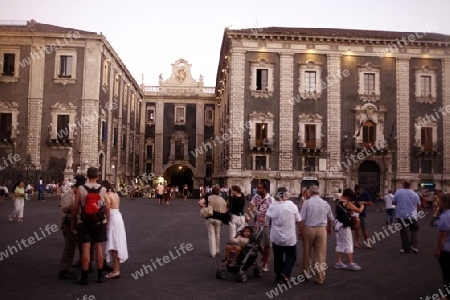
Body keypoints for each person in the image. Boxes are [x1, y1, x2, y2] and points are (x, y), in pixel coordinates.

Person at [71, 167, 109, 285]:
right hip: (99, 222)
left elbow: (75, 207)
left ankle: (84, 277)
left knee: (86, 249)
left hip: (84, 221)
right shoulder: (103, 189)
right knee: (99, 248)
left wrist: (73, 222)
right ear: (98, 176)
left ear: (87, 176)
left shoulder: (81, 189)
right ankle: (100, 276)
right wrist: (107, 221)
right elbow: (106, 207)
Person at [265, 187, 302, 284]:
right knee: (291, 256)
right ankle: (285, 273)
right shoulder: (292, 205)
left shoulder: (273, 205)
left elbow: (267, 220)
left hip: (276, 236)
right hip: (289, 237)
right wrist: (300, 230)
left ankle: (278, 277)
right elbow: (299, 220)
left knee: (278, 257)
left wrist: (269, 223)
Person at [299, 185, 334, 284]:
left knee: (306, 252)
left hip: (309, 228)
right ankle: (320, 277)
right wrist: (329, 228)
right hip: (321, 229)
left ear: (310, 193)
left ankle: (305, 274)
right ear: (318, 193)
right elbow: (330, 217)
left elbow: (302, 219)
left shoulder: (307, 203)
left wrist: (300, 231)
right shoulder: (325, 203)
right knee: (321, 254)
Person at [102, 180, 128, 279]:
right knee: (117, 242)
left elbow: (107, 208)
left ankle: (116, 270)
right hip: (118, 217)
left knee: (113, 244)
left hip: (112, 218)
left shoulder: (107, 195)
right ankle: (116, 268)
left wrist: (107, 220)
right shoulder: (115, 194)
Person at [245, 182, 273, 272]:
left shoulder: (271, 199)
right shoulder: (256, 197)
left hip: (267, 225)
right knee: (256, 243)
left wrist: (264, 219)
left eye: (260, 188)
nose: (257, 189)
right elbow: (250, 208)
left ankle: (265, 262)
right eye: (257, 187)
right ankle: (265, 256)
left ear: (265, 189)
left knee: (267, 244)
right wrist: (247, 216)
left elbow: (273, 213)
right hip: (257, 224)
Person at [334, 188, 364, 271]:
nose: (351, 199)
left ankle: (338, 262)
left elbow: (342, 212)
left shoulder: (339, 201)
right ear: (348, 196)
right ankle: (350, 263)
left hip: (337, 224)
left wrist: (349, 212)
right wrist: (362, 205)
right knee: (348, 243)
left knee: (340, 243)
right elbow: (359, 210)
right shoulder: (346, 203)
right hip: (344, 224)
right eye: (351, 197)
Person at [58, 179, 82, 280]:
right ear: (76, 188)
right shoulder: (68, 195)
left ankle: (82, 262)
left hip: (76, 221)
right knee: (70, 246)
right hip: (68, 221)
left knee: (77, 244)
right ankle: (64, 269)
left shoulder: (77, 195)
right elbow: (65, 209)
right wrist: (74, 207)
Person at [393, 180, 421, 254]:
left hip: (401, 215)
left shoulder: (398, 192)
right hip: (412, 215)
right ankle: (414, 246)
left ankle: (406, 248)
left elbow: (393, 202)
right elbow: (418, 205)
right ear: (410, 185)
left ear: (403, 185)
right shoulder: (415, 194)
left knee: (404, 232)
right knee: (414, 230)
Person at [204, 185, 227, 258]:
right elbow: (224, 210)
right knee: (218, 234)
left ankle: (212, 252)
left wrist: (205, 208)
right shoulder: (222, 199)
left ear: (212, 191)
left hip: (210, 217)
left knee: (211, 235)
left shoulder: (208, 198)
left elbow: (200, 203)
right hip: (219, 218)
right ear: (219, 191)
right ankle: (217, 250)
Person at [434, 193, 450, 293]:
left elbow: (442, 235)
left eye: (440, 200)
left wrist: (438, 250)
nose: (438, 201)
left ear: (445, 203)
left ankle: (448, 296)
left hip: (447, 249)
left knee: (447, 273)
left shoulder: (445, 216)